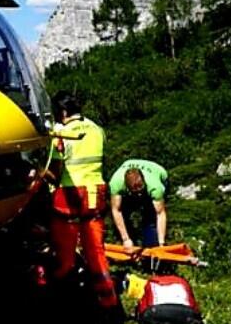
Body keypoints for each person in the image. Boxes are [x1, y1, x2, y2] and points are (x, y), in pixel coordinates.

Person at [46, 91, 119, 311]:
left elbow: (55, 173)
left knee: (64, 253)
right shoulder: (97, 129)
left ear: (62, 111)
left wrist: (39, 172)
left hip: (70, 196)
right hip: (96, 193)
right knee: (96, 251)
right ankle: (108, 302)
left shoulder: (61, 134)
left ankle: (62, 301)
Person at [108, 159, 169, 249]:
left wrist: (161, 243)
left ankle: (151, 245)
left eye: (140, 190)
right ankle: (127, 242)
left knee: (150, 216)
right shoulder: (116, 184)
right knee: (124, 212)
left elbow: (160, 214)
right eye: (135, 191)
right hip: (127, 176)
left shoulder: (155, 187)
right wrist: (126, 239)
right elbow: (116, 210)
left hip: (157, 171)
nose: (139, 194)